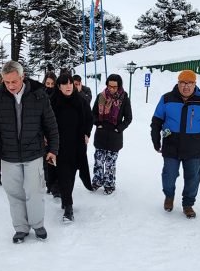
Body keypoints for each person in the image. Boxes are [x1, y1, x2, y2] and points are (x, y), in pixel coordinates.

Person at [0, 61, 59, 243]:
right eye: (6, 82)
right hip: (9, 155)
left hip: (33, 153)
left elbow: (51, 125)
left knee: (35, 191)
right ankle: (21, 228)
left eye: (14, 82)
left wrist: (53, 150)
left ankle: (38, 224)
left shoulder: (38, 95)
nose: (10, 86)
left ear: (22, 77)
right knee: (14, 193)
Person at [150, 70, 200, 219]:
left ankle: (188, 204)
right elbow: (156, 121)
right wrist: (155, 140)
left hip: (193, 147)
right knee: (169, 175)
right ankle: (169, 196)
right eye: (183, 83)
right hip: (171, 145)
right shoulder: (167, 99)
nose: (186, 86)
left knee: (193, 178)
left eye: (189, 83)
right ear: (178, 83)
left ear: (195, 84)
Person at [50, 74, 93, 222]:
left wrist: (87, 133)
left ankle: (66, 198)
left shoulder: (80, 100)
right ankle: (68, 207)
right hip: (59, 145)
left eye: (70, 83)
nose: (68, 86)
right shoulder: (53, 102)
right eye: (64, 84)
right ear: (59, 86)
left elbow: (89, 118)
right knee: (63, 174)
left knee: (72, 174)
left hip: (77, 145)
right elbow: (45, 121)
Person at [91, 74, 132, 195]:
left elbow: (128, 118)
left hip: (115, 136)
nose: (112, 89)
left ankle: (109, 184)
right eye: (110, 86)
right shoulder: (101, 97)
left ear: (119, 86)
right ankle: (97, 181)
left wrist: (119, 129)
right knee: (98, 160)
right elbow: (92, 114)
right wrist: (97, 123)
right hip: (101, 134)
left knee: (110, 163)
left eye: (115, 87)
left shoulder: (124, 99)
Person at [42, 70, 59, 197]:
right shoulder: (40, 95)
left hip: (56, 132)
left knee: (55, 160)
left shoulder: (58, 97)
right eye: (47, 83)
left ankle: (56, 186)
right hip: (43, 133)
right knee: (46, 161)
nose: (49, 86)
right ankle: (49, 184)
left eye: (52, 84)